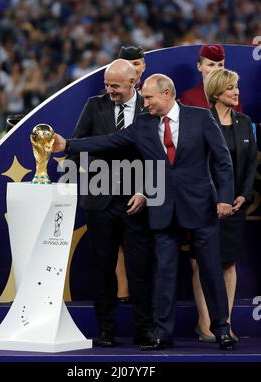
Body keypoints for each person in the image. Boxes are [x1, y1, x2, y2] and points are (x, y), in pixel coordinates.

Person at [53, 73, 236, 351]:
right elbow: (109, 141)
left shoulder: (200, 117)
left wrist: (224, 198)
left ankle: (222, 329)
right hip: (162, 208)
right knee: (164, 273)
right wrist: (68, 145)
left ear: (166, 94)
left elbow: (222, 161)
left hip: (200, 208)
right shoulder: (143, 124)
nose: (145, 102)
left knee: (210, 270)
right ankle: (162, 333)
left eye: (148, 97)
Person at [63, 59, 154, 348]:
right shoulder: (94, 105)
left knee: (141, 269)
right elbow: (77, 146)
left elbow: (158, 155)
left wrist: (146, 190)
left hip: (139, 201)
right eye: (106, 84)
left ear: (133, 83)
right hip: (99, 200)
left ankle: (145, 330)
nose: (110, 90)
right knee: (103, 269)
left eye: (115, 85)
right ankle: (106, 330)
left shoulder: (148, 108)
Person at [190, 68, 257, 343]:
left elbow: (251, 163)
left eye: (237, 87)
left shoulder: (245, 123)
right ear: (216, 92)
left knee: (228, 263)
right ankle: (205, 323)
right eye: (230, 88)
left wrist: (243, 194)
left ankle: (224, 323)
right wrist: (216, 198)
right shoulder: (201, 121)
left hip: (236, 206)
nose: (236, 92)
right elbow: (197, 164)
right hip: (206, 205)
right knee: (201, 262)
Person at [116, 45, 146, 303]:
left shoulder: (152, 99)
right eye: (129, 63)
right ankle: (122, 289)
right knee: (116, 241)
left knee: (143, 241)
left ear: (143, 67)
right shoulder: (106, 100)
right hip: (111, 179)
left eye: (137, 63)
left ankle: (141, 292)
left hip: (146, 180)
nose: (134, 68)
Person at [180, 44, 243, 112]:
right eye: (211, 65)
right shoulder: (189, 97)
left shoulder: (232, 94)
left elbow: (240, 121)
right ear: (199, 66)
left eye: (220, 65)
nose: (217, 69)